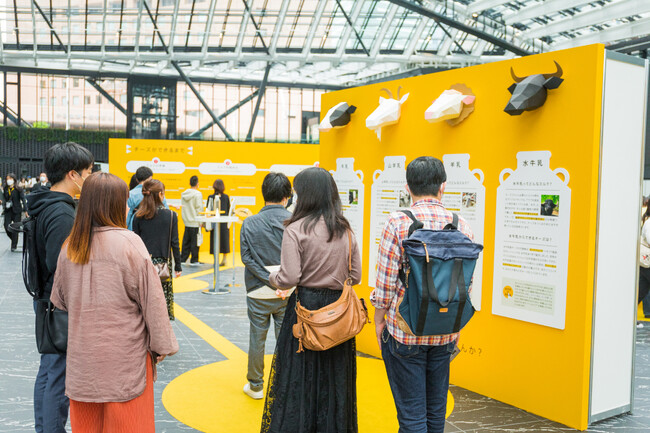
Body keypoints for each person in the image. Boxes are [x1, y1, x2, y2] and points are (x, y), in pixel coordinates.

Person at [50, 172, 179, 432]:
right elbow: (153, 303)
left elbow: (60, 300)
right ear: (116, 205)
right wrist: (162, 345)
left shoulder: (70, 246)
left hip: (83, 367)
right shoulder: (130, 243)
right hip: (125, 365)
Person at [372, 156, 474, 433]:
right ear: (443, 187)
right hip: (445, 331)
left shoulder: (398, 222)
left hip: (405, 330)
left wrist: (379, 320)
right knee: (435, 414)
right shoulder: (461, 225)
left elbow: (385, 284)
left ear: (408, 187)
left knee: (412, 416)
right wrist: (456, 323)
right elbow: (465, 284)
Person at [261, 167, 361, 433]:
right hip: (338, 313)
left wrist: (272, 278)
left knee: (299, 376)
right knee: (335, 377)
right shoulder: (345, 229)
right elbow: (356, 276)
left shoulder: (295, 229)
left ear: (305, 195)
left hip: (305, 309)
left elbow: (289, 277)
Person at [27, 142, 94, 433]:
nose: (89, 178)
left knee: (49, 369)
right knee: (58, 373)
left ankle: (45, 428)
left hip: (47, 300)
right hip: (58, 305)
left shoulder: (45, 203)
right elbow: (62, 265)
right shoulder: (62, 213)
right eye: (87, 172)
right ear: (72, 174)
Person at [240, 173, 292, 400]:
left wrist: (268, 279)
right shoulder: (295, 221)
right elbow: (301, 257)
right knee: (285, 340)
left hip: (257, 291)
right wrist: (282, 281)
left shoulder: (249, 222)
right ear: (286, 196)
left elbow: (246, 258)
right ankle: (284, 385)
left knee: (257, 338)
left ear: (264, 194)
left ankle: (256, 386)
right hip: (287, 291)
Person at [133, 179, 182, 320]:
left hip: (144, 263)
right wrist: (178, 266)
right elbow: (174, 242)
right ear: (160, 194)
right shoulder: (171, 215)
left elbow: (136, 243)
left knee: (145, 296)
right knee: (163, 297)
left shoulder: (138, 216)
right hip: (163, 264)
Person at [127, 166, 169, 230]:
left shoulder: (130, 194)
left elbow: (127, 216)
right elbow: (166, 211)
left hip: (134, 229)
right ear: (150, 178)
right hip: (155, 228)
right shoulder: (158, 192)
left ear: (136, 179)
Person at [207, 179, 231, 266]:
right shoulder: (226, 197)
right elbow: (228, 210)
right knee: (224, 241)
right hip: (224, 223)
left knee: (214, 240)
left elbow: (208, 210)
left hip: (214, 222)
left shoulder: (211, 197)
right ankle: (224, 259)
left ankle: (215, 260)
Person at [180, 175, 204, 265]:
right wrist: (201, 221)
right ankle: (194, 260)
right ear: (197, 184)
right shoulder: (198, 194)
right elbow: (199, 208)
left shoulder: (184, 194)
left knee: (186, 241)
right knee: (195, 242)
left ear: (189, 183)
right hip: (195, 220)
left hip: (186, 220)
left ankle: (183, 259)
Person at [3, 173, 26, 251]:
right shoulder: (6, 188)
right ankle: (14, 239)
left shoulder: (18, 189)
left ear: (14, 179)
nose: (8, 180)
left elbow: (23, 199)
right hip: (8, 210)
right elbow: (4, 198)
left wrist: (26, 210)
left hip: (17, 210)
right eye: (7, 179)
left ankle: (13, 245)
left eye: (10, 179)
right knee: (6, 226)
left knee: (15, 228)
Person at [639, 205, 650, 318]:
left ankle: (627, 311)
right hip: (647, 261)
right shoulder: (649, 223)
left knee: (642, 290)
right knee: (642, 290)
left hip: (646, 263)